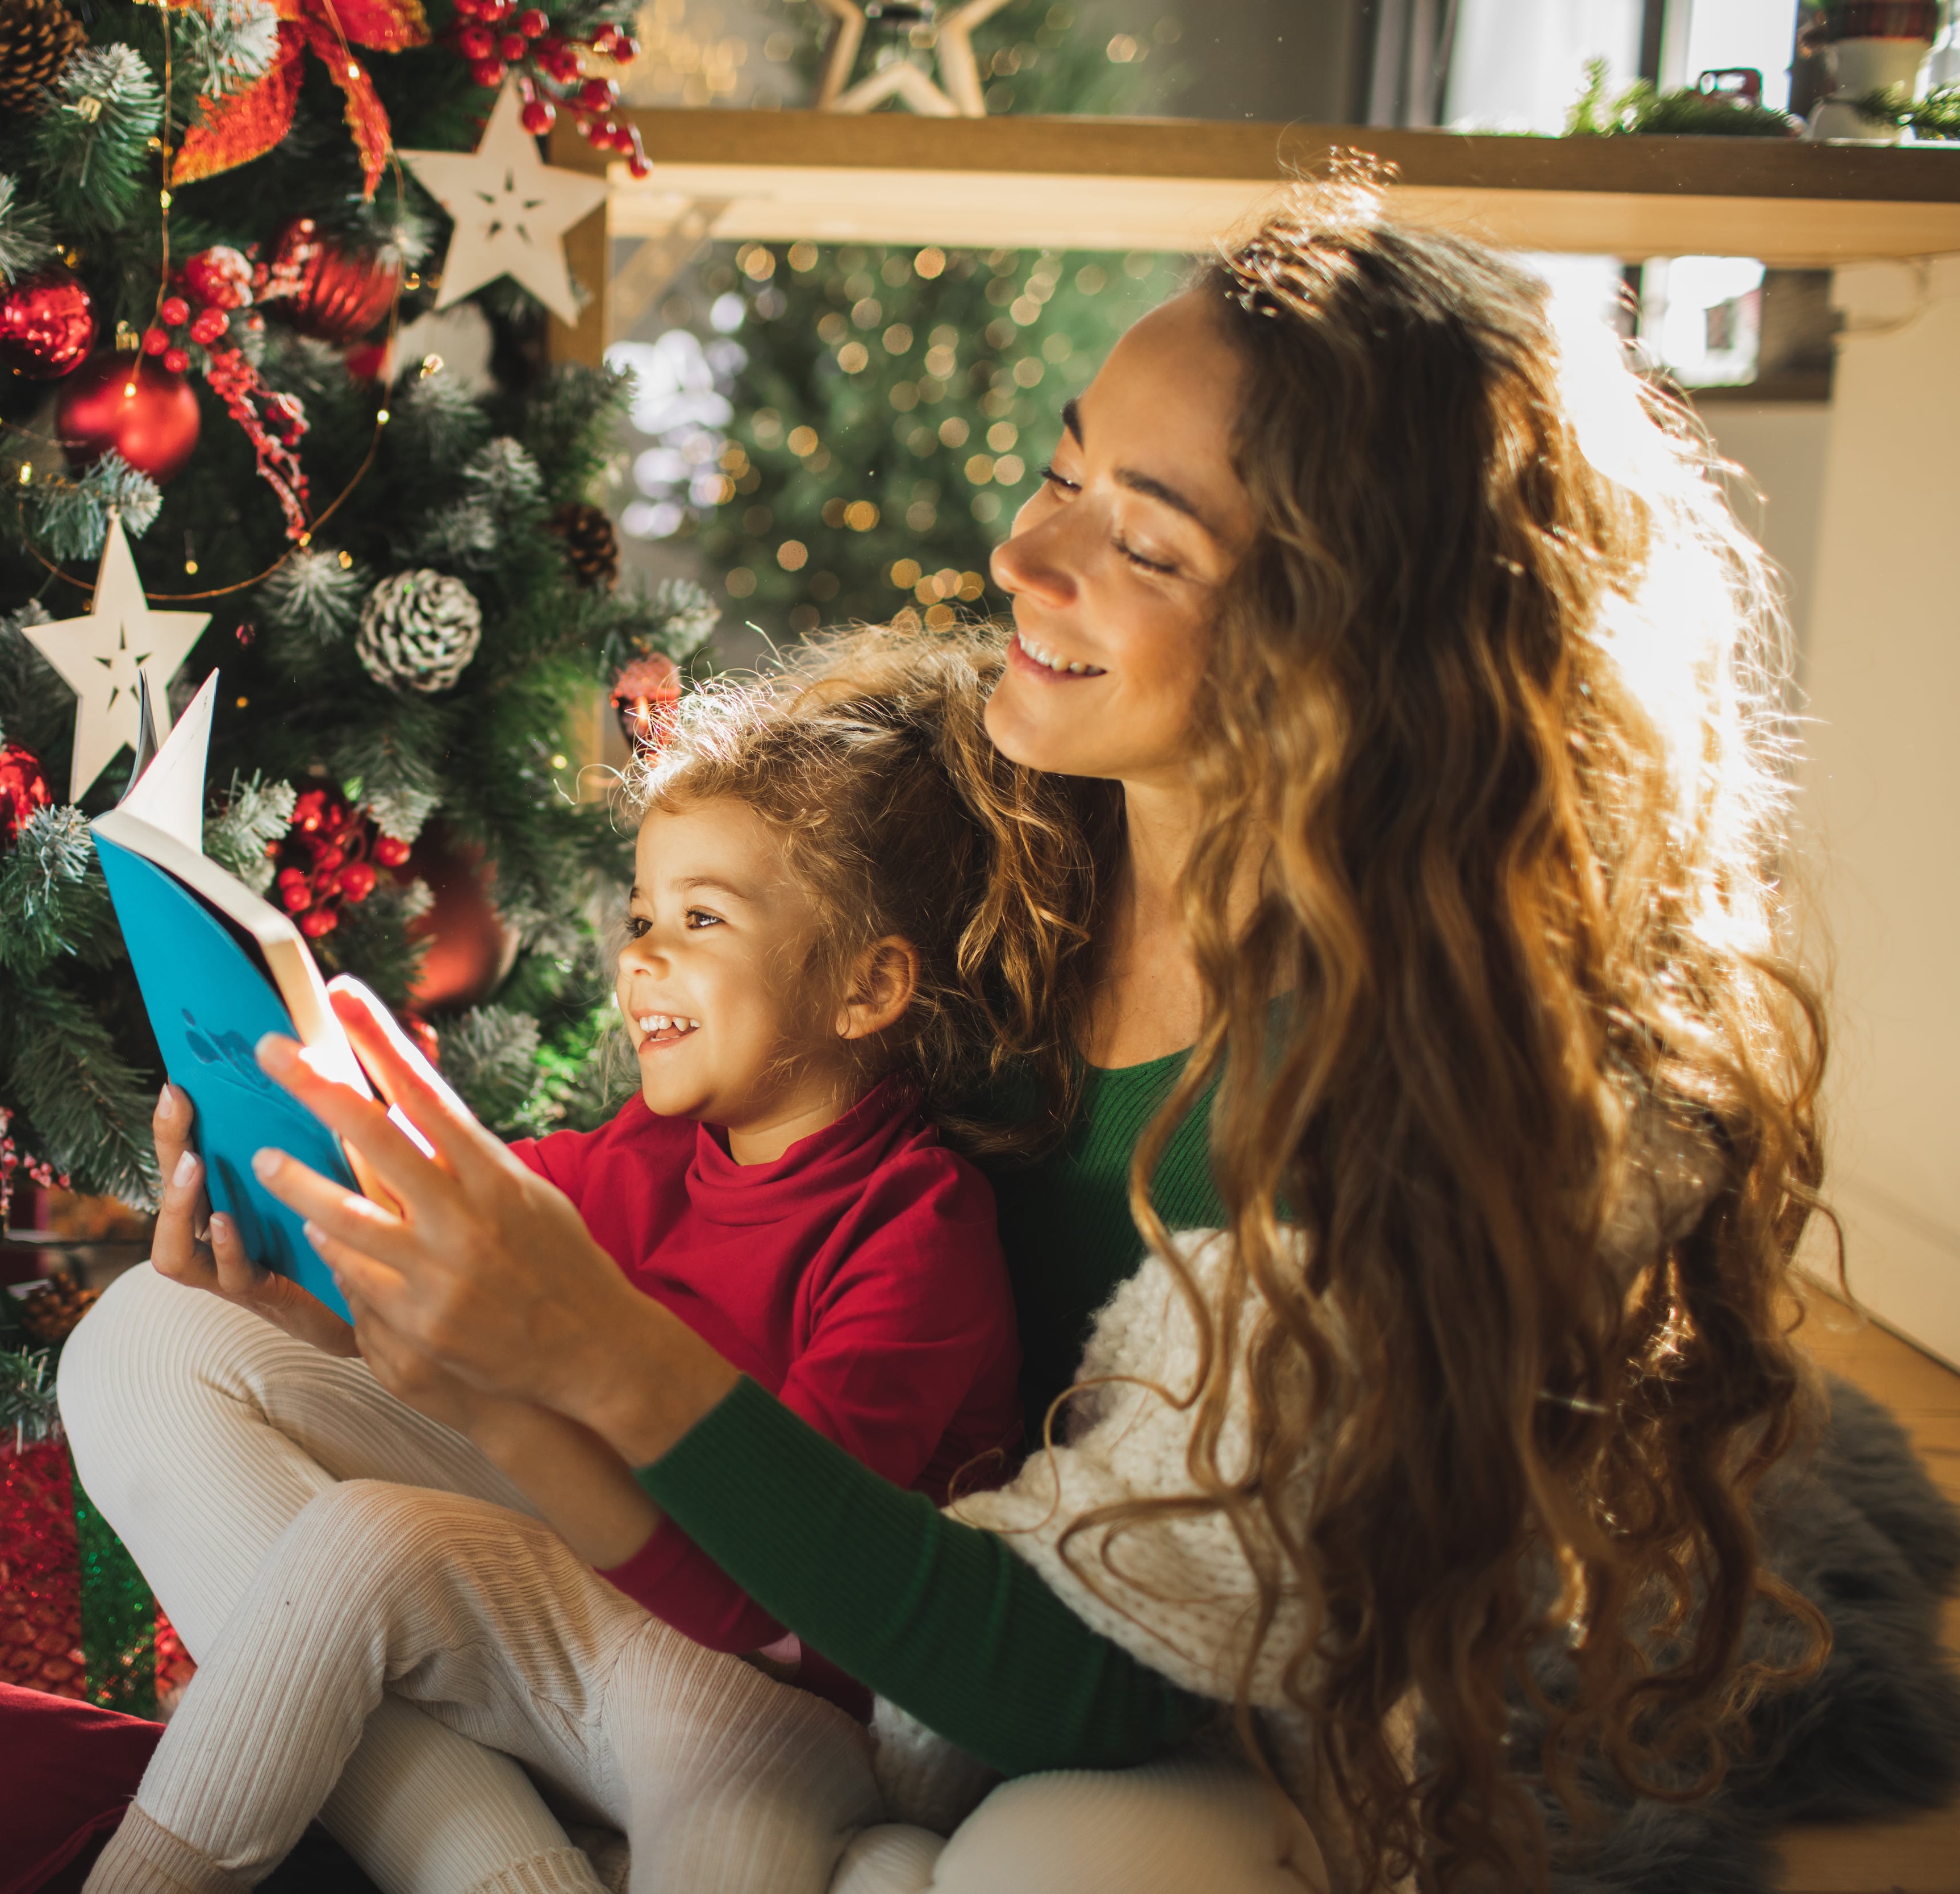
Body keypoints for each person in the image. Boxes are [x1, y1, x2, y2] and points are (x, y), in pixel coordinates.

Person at [222, 180, 1829, 1893]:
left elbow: (1098, 1674)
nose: (1024, 559)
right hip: (781, 1607)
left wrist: (601, 1355)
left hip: (1159, 1727)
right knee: (163, 1357)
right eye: (1065, 470)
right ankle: (498, 1848)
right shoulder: (985, 829)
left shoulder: (1440, 1092)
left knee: (1066, 1858)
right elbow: (738, 1170)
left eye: (1144, 543)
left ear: (1354, 658)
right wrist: (342, 1262)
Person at [70, 648, 1038, 1894]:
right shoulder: (639, 1152)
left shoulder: (917, 1225)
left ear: (868, 984)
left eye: (701, 920)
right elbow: (419, 1264)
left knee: (423, 1565)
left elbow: (776, 1586)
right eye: (640, 915)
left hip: (773, 1698)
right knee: (151, 1333)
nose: (639, 957)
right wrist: (275, 1248)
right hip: (585, 1602)